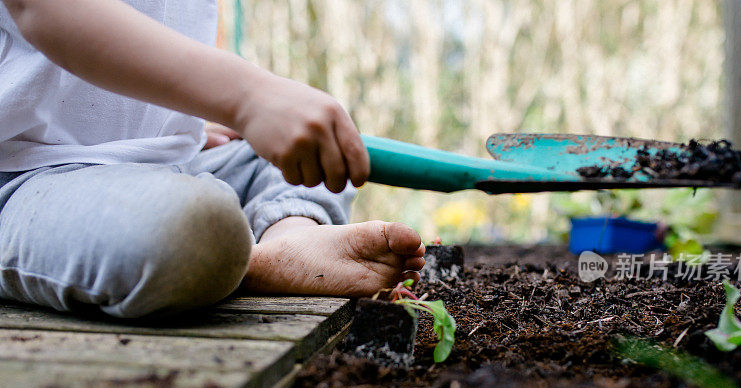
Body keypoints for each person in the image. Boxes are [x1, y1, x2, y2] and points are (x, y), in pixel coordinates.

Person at [0, 0, 425, 318]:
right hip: (22, 174)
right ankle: (248, 261)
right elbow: (39, 8)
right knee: (195, 228)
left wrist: (182, 126)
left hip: (177, 161)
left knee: (307, 149)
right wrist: (249, 97)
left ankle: (290, 235)